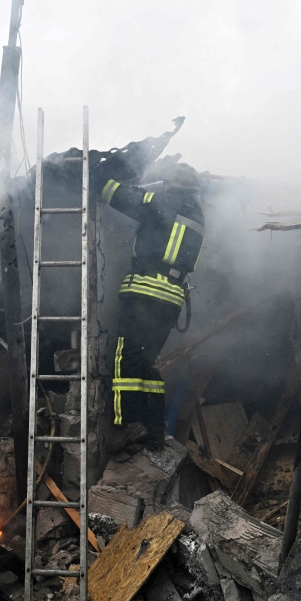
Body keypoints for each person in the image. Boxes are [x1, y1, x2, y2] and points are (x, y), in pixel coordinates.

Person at [92, 159, 206, 451]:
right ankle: (154, 429)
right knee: (146, 363)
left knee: (125, 357)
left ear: (172, 185)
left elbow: (119, 195)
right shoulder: (196, 213)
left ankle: (128, 424)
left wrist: (99, 174)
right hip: (169, 298)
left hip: (147, 292)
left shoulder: (164, 202)